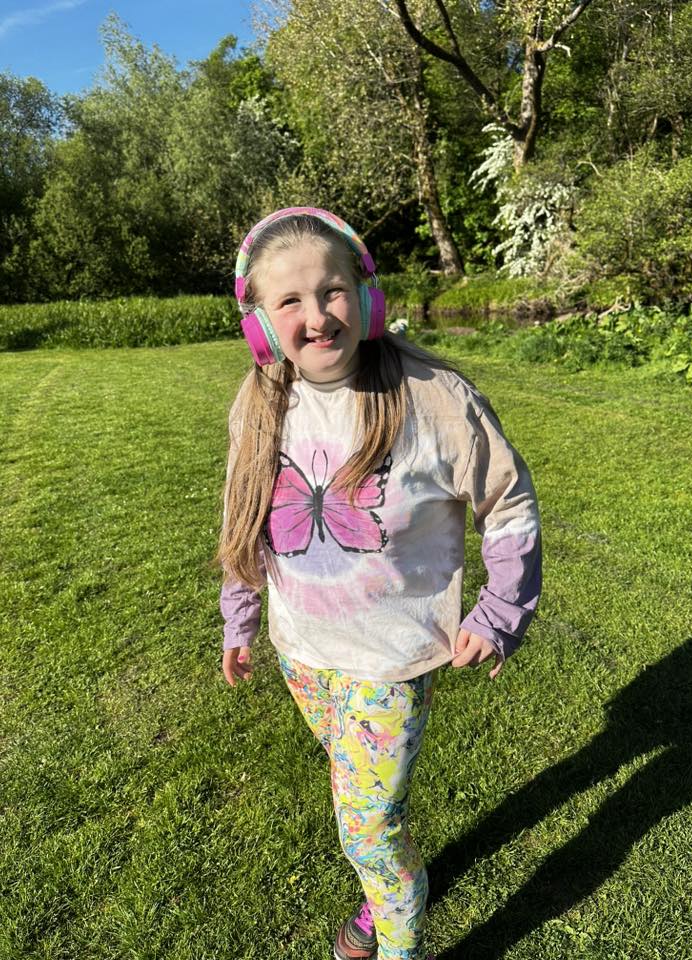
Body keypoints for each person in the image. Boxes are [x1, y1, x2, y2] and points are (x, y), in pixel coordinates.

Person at [215, 207, 542, 960]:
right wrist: (241, 615)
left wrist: (500, 609)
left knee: (366, 827)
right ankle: (380, 897)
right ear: (259, 323)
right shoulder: (260, 400)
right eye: (289, 301)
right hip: (304, 651)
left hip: (391, 659)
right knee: (363, 802)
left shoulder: (435, 396)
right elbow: (244, 514)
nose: (317, 317)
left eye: (332, 290)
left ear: (366, 296)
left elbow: (509, 503)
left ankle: (395, 940)